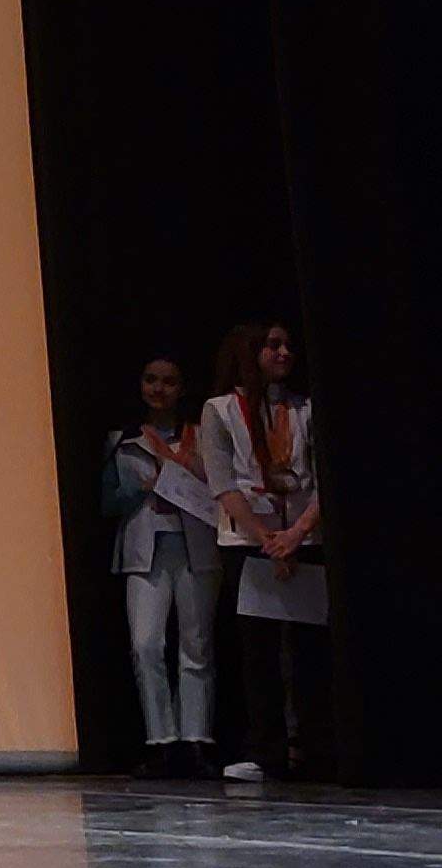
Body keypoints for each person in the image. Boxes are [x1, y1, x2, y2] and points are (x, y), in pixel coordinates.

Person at [199, 322, 324, 783]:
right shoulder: (221, 410)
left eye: (288, 345)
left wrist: (296, 532)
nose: (284, 353)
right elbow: (222, 481)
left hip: (304, 537)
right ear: (250, 352)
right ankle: (268, 749)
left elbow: (324, 476)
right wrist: (265, 537)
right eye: (273, 346)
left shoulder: (306, 408)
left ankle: (312, 745)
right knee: (259, 651)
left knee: (309, 648)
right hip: (248, 543)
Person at [101, 356, 220, 778]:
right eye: (151, 380)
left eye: (169, 381)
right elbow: (106, 502)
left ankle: (196, 741)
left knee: (196, 645)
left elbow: (224, 490)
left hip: (196, 546)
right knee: (146, 645)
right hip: (143, 549)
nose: (159, 389)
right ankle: (160, 741)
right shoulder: (124, 439)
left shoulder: (203, 436)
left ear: (182, 388)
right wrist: (140, 488)